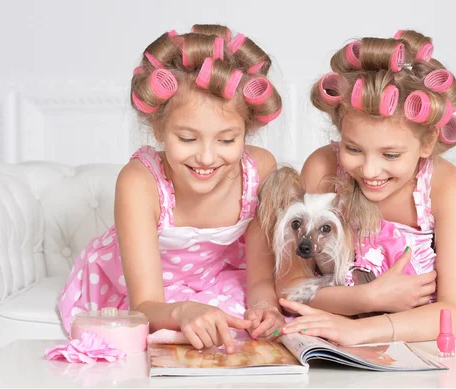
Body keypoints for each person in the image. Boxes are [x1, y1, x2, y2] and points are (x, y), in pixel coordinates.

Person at [278, 30, 456, 344]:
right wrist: (368, 299)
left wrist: (360, 330)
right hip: (350, 310)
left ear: (427, 142)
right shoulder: (323, 167)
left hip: (420, 323)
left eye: (390, 154)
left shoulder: (445, 186)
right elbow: (290, 288)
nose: (369, 170)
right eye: (353, 149)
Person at [58, 24, 285, 353]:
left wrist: (266, 308)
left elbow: (260, 278)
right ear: (158, 127)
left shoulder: (260, 169)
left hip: (217, 275)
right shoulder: (140, 182)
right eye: (188, 138)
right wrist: (182, 311)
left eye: (226, 139)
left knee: (241, 331)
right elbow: (145, 305)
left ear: (247, 129)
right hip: (146, 292)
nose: (206, 157)